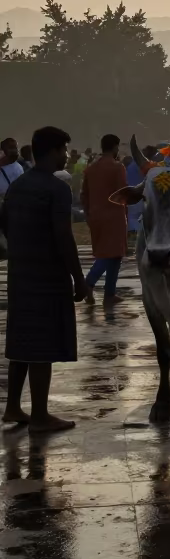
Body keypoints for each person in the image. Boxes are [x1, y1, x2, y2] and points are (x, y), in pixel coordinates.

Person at [1, 126, 88, 433]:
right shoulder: (57, 189)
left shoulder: (18, 185)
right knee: (42, 345)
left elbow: (6, 226)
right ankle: (39, 414)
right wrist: (78, 278)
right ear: (52, 152)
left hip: (20, 273)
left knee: (21, 342)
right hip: (47, 276)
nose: (66, 155)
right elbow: (64, 236)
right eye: (63, 150)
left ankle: (13, 406)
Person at [81, 134, 129, 308]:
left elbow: (84, 194)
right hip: (114, 216)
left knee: (113, 255)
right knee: (110, 254)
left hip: (96, 216)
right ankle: (88, 283)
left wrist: (88, 213)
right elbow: (123, 193)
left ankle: (110, 293)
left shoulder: (91, 168)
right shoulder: (118, 168)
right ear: (115, 148)